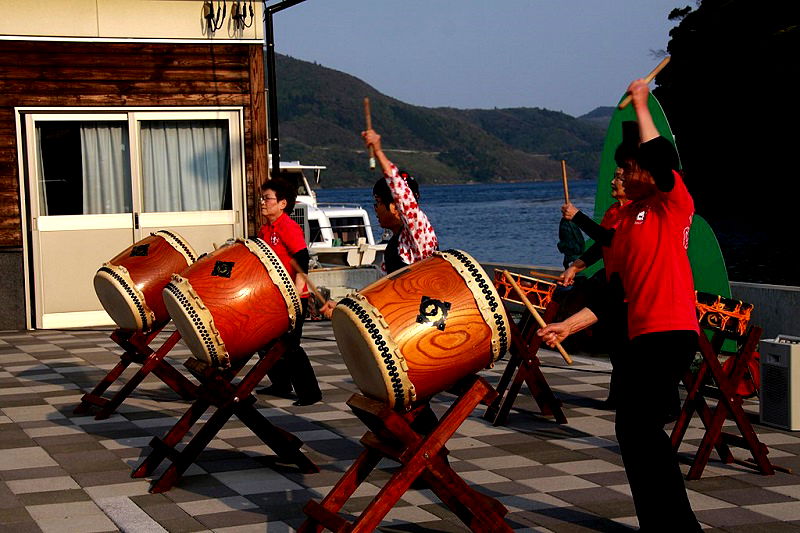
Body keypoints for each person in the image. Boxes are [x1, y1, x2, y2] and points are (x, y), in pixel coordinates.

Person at [538, 79, 701, 532]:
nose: (625, 175)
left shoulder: (673, 203)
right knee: (632, 434)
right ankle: (660, 523)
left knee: (641, 429)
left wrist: (643, 105)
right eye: (625, 169)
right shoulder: (625, 220)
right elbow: (615, 294)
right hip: (638, 332)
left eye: (629, 168)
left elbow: (660, 158)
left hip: (670, 332)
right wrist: (569, 325)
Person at [318, 128, 438, 319]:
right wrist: (342, 307)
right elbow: (379, 290)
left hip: (424, 325)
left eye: (378, 202)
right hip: (404, 322)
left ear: (394, 206)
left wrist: (379, 152)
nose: (375, 208)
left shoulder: (418, 233)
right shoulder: (395, 244)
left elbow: (401, 193)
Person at [256, 176, 322, 406]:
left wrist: (298, 290)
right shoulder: (266, 229)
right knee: (264, 341)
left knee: (291, 346)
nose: (262, 203)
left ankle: (310, 393)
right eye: (262, 198)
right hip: (274, 297)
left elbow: (302, 257)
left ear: (282, 203)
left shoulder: (288, 226)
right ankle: (281, 383)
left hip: (293, 296)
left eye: (267, 199)